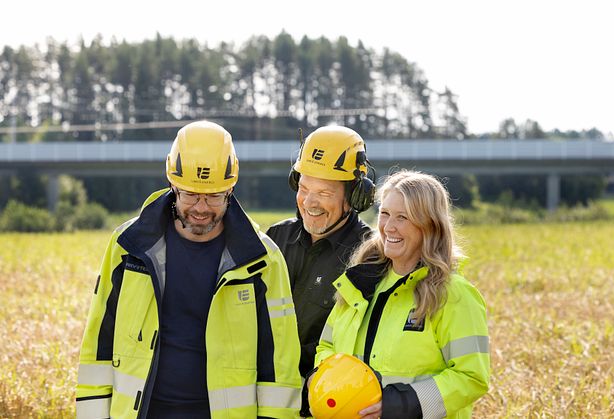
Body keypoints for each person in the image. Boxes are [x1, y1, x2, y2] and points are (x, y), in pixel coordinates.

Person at [75, 121, 302, 419]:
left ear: (231, 189)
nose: (201, 207)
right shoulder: (127, 246)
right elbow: (99, 343)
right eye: (190, 195)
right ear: (172, 185)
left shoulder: (262, 260)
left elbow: (279, 364)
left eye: (214, 196)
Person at [314, 170, 490, 419]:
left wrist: (397, 406)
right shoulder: (359, 284)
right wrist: (326, 382)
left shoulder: (454, 294)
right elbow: (327, 346)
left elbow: (471, 377)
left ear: (429, 225)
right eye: (384, 214)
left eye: (403, 217)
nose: (389, 227)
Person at [267, 125, 375, 378]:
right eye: (304, 189)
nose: (309, 203)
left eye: (324, 193)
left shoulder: (370, 255)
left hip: (324, 393)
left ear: (355, 197)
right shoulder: (275, 239)